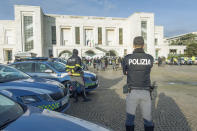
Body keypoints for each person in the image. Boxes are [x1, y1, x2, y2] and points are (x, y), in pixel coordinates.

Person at [122, 36, 154, 131]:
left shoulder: (127, 58)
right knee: (148, 119)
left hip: (132, 91)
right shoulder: (150, 58)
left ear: (133, 45)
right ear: (143, 46)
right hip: (145, 91)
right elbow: (149, 68)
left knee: (130, 119)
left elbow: (125, 72)